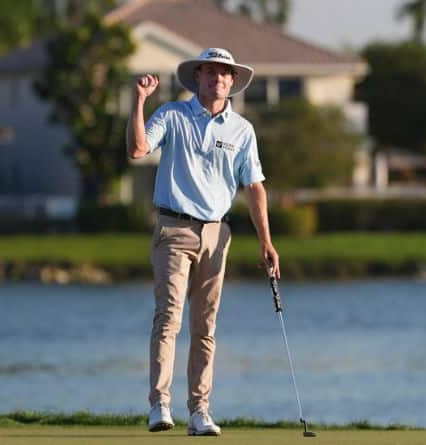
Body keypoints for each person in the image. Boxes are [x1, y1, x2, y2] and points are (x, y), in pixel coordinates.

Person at [125, 47, 280, 436]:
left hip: (217, 233)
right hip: (174, 228)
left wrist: (266, 240)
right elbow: (138, 149)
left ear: (233, 82)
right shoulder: (173, 115)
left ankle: (199, 412)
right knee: (169, 319)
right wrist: (139, 101)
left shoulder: (242, 130)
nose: (217, 79)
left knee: (205, 325)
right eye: (209, 72)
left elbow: (254, 187)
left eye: (224, 74)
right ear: (197, 78)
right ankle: (160, 405)